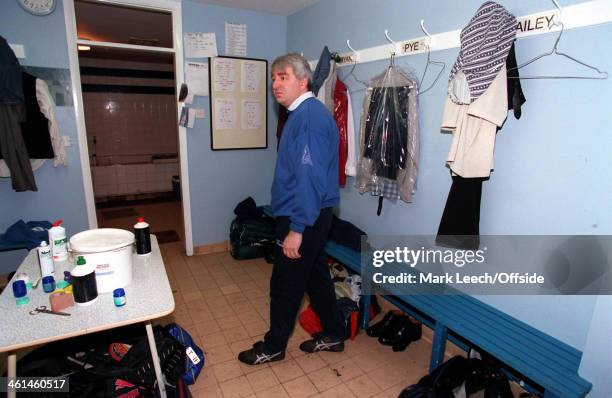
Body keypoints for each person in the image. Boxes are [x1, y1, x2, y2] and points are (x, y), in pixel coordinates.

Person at [238, 53, 346, 365]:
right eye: (273, 78)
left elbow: (309, 180)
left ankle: (273, 346)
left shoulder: (308, 118)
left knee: (285, 285)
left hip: (304, 218)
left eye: (283, 77)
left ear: (303, 81)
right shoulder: (301, 114)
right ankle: (335, 333)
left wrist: (297, 229)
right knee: (315, 279)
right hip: (310, 215)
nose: (275, 84)